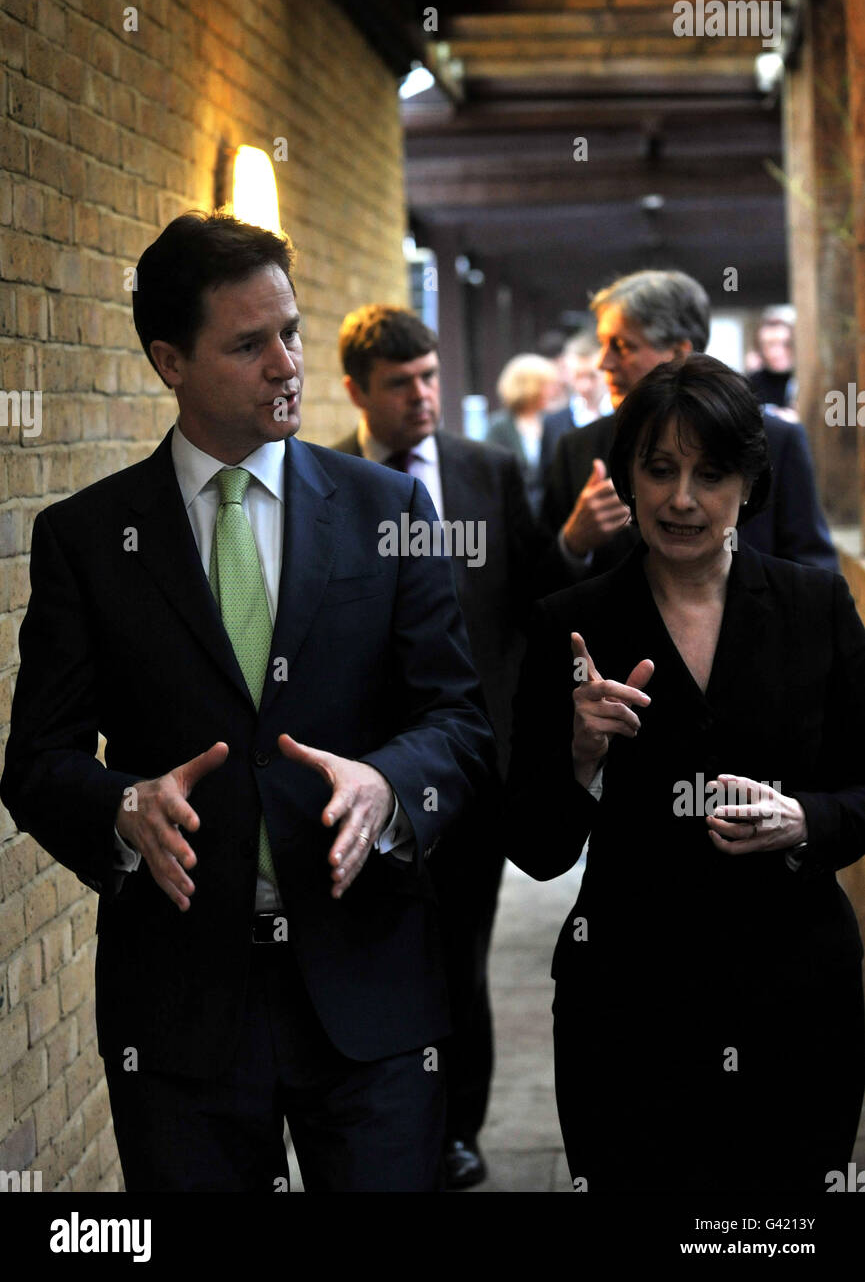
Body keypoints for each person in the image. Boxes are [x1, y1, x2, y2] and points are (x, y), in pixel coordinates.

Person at [0, 213, 496, 1194]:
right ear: (168, 359)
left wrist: (387, 784)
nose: (287, 364)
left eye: (293, 331)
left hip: (373, 990)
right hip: (179, 1009)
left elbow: (461, 724)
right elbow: (38, 760)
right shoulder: (88, 540)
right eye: (249, 343)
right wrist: (120, 808)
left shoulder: (388, 511)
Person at [504, 355, 865, 1192]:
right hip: (628, 1003)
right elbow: (534, 844)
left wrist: (806, 821)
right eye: (658, 470)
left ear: (748, 481)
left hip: (794, 995)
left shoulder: (816, 607)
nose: (680, 499)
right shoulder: (570, 625)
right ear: (625, 475)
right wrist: (580, 755)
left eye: (709, 473)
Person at [334, 303, 567, 1188]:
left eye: (431, 377)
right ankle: (384, 1127)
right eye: (401, 384)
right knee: (374, 959)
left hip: (470, 770)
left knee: (460, 960)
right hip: (356, 774)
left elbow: (537, 600)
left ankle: (456, 1133)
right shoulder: (318, 474)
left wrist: (575, 545)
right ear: (358, 390)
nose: (423, 396)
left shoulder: (488, 471)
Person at [543, 270, 837, 577]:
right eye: (659, 471)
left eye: (623, 346)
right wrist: (572, 543)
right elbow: (532, 593)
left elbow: (813, 567)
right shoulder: (577, 449)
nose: (604, 363)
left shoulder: (775, 441)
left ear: (679, 352)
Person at [485, 353, 559, 516]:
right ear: (530, 387)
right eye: (546, 385)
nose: (553, 391)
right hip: (512, 515)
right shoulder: (500, 427)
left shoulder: (553, 422)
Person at [540, 332, 613, 477]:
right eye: (578, 376)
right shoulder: (554, 423)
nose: (585, 386)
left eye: (592, 376)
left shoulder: (623, 416)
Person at [747, 312, 798, 417]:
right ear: (759, 348)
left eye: (785, 344)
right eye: (770, 345)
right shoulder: (751, 384)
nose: (777, 352)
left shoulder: (803, 379)